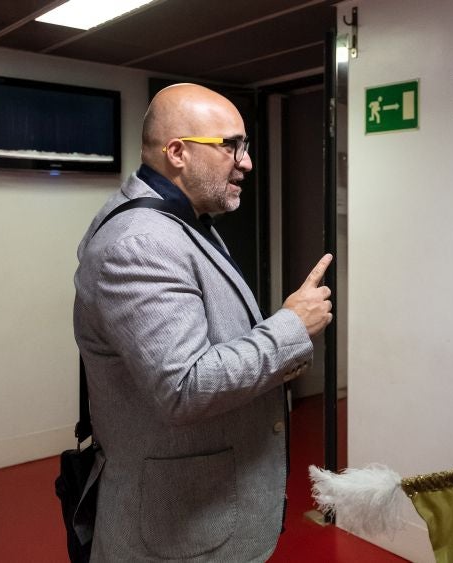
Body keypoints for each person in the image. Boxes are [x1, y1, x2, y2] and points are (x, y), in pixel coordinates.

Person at [73, 83, 333, 562]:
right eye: (230, 145)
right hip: (176, 531)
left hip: (200, 511)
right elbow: (184, 386)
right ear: (177, 153)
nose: (246, 162)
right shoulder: (142, 244)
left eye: (245, 145)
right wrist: (292, 326)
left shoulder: (182, 221)